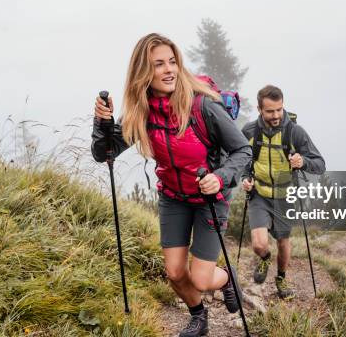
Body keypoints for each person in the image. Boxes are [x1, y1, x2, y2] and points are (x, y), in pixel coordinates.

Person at [91, 33, 252, 337]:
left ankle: (227, 278)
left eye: (172, 62)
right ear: (143, 73)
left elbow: (243, 150)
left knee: (202, 278)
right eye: (158, 65)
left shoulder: (203, 107)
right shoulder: (142, 111)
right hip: (174, 197)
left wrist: (219, 177)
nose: (168, 70)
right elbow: (106, 153)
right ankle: (199, 317)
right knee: (176, 273)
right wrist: (102, 124)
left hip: (209, 197)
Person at [241, 85, 325, 299]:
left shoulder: (295, 132)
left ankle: (281, 278)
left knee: (283, 241)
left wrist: (302, 161)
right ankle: (265, 258)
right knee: (260, 244)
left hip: (286, 196)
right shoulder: (250, 132)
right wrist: (245, 178)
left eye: (279, 109)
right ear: (260, 109)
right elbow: (240, 158)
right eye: (270, 111)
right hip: (259, 194)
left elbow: (320, 164)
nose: (276, 115)